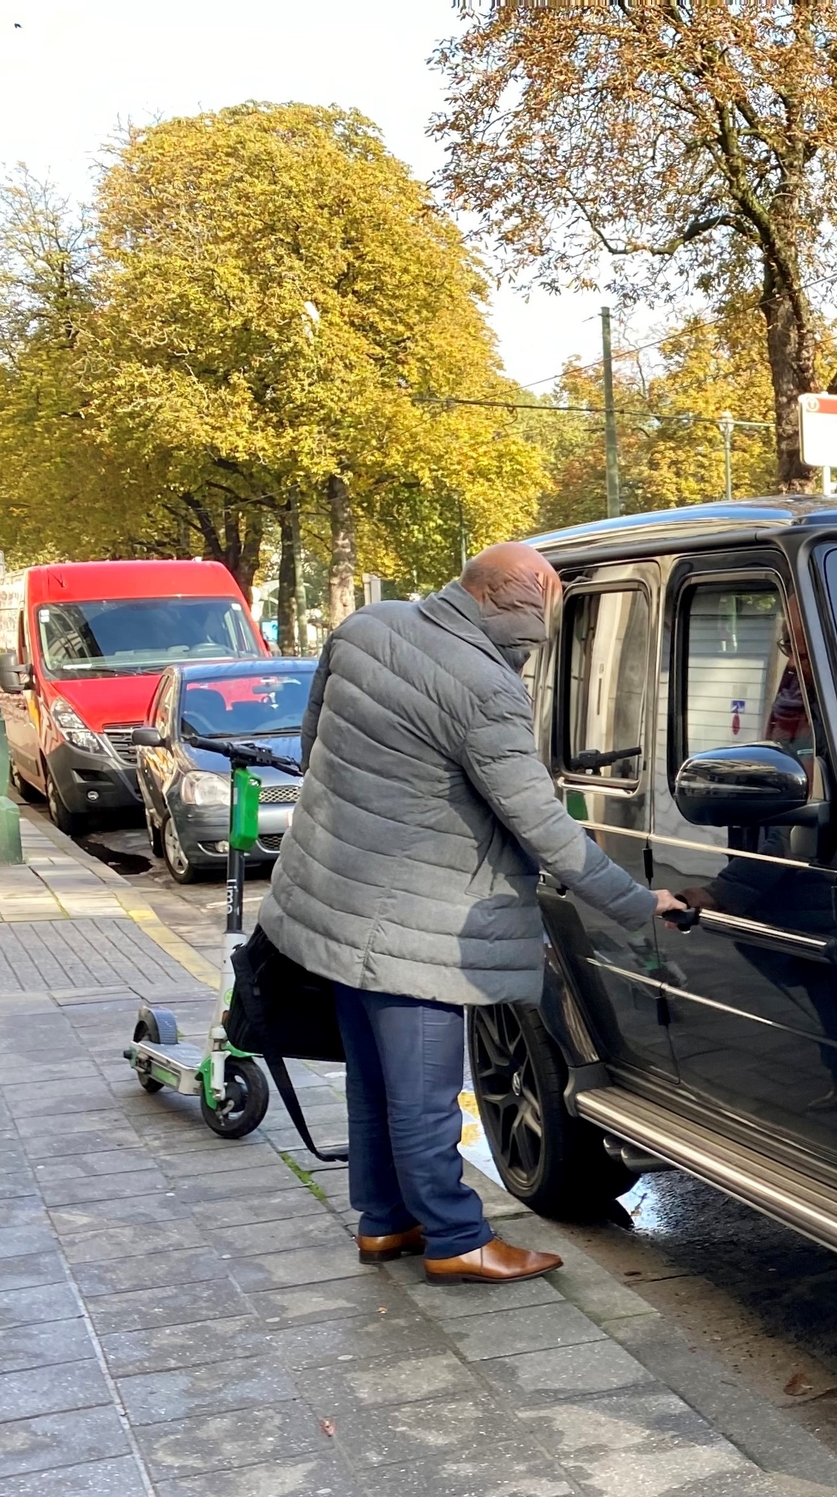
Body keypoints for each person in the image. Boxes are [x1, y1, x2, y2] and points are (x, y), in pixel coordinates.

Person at [265, 543, 685, 1282]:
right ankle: (457, 1237)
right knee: (425, 1093)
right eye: (535, 629)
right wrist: (636, 901)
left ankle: (384, 1222)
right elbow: (542, 825)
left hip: (335, 903)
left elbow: (313, 746)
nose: (535, 646)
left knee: (373, 1081)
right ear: (498, 601)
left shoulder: (366, 626)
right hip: (417, 927)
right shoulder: (485, 688)